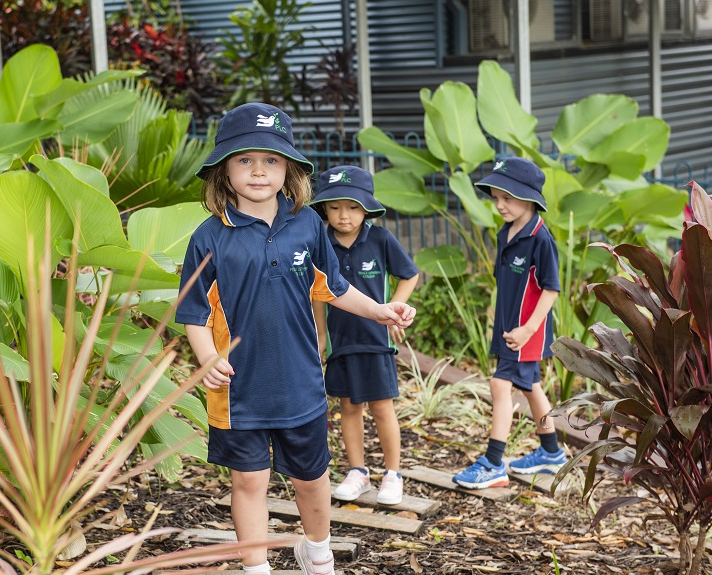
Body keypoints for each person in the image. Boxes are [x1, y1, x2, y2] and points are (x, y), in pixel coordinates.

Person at [175, 103, 415, 575]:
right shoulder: (208, 237)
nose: (258, 171)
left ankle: (318, 551)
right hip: (238, 390)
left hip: (300, 383)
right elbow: (193, 313)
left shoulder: (307, 225)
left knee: (312, 477)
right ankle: (256, 567)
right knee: (249, 482)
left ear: (289, 168)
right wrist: (207, 358)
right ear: (224, 169)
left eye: (271, 159)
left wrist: (379, 310)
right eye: (245, 160)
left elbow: (334, 286)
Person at [452, 157, 567, 490]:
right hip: (508, 328)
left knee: (500, 386)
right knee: (530, 386)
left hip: (525, 332)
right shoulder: (507, 232)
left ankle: (493, 463)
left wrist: (528, 330)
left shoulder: (540, 238)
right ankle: (551, 452)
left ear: (529, 198)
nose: (499, 204)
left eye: (508, 198)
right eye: (496, 198)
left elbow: (551, 289)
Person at [309, 165, 419, 505]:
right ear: (324, 208)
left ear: (367, 209)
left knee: (382, 407)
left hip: (376, 341)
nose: (344, 215)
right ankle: (358, 472)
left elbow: (410, 275)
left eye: (353, 207)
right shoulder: (320, 244)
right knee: (348, 407)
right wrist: (321, 335)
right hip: (340, 342)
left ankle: (393, 474)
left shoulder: (381, 239)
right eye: (335, 206)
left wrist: (394, 311)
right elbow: (318, 293)